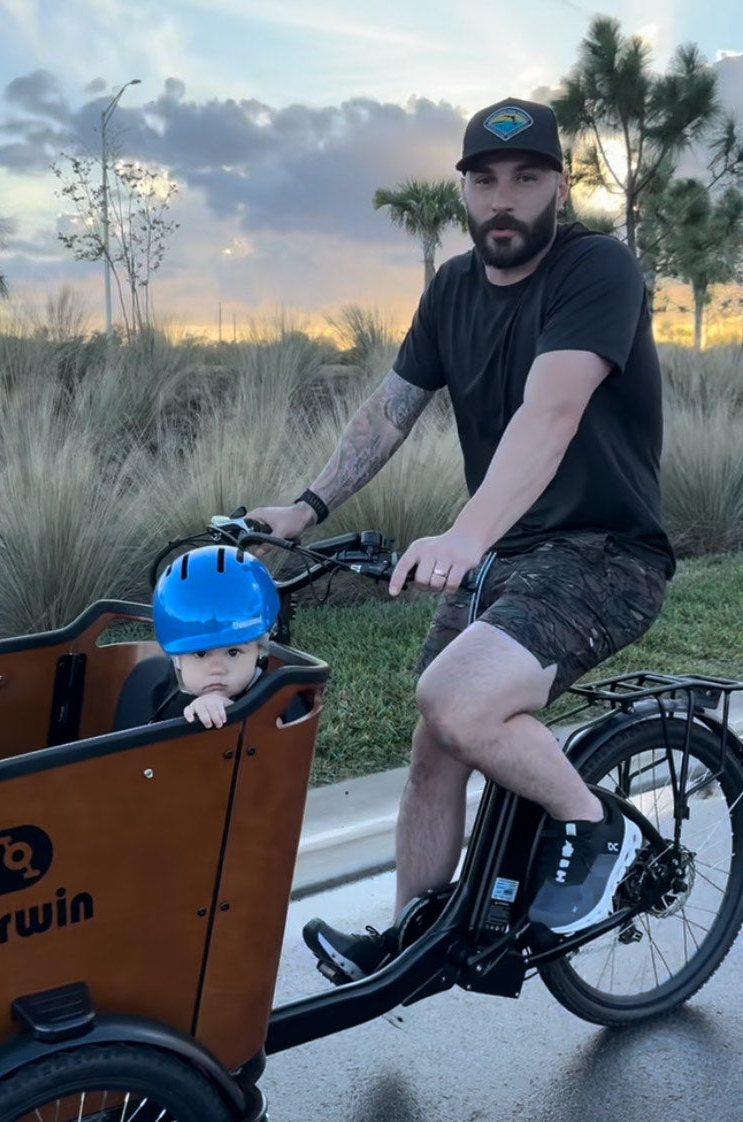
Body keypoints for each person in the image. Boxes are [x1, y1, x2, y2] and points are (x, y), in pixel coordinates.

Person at [248, 95, 675, 982]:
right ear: (465, 192)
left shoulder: (597, 269)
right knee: (433, 744)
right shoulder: (451, 289)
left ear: (561, 184)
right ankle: (412, 946)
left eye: (526, 178)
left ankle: (593, 822)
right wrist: (306, 507)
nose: (503, 199)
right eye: (485, 181)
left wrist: (467, 532)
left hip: (605, 553)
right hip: (508, 557)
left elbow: (551, 411)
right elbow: (389, 410)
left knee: (458, 701)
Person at [114, 544, 281, 730]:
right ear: (178, 660)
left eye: (233, 652)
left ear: (260, 650)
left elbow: (279, 736)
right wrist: (192, 712)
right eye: (200, 653)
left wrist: (248, 719)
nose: (217, 669)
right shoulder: (166, 691)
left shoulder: (273, 697)